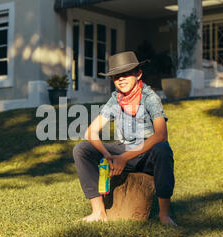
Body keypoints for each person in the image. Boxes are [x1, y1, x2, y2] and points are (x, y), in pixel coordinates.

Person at [72, 51, 177, 226]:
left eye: (126, 74)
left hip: (146, 153)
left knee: (163, 149)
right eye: (116, 76)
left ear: (138, 74)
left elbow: (161, 135)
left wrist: (123, 158)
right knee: (81, 149)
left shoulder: (150, 98)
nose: (121, 79)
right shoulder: (115, 99)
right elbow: (91, 132)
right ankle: (98, 212)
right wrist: (108, 155)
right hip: (123, 149)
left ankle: (164, 215)